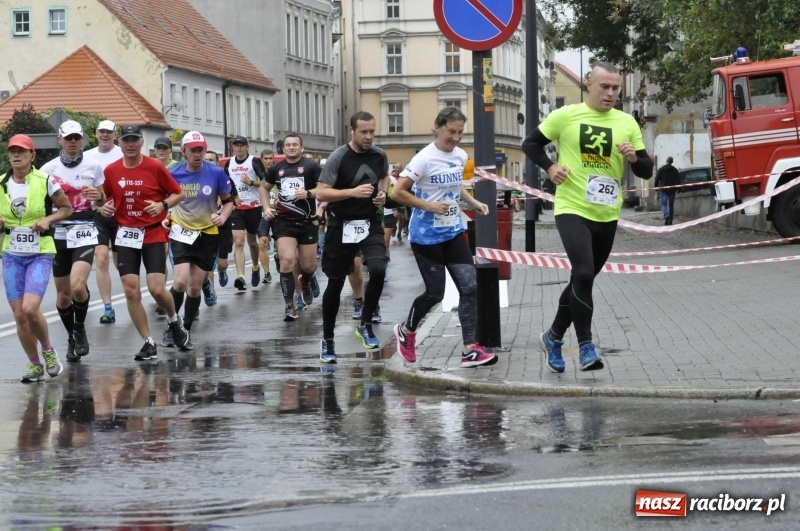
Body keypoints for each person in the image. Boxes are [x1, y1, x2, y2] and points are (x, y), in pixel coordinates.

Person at [522, 61, 654, 373]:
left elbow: (647, 169)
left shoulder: (626, 123)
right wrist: (551, 167)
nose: (611, 93)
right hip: (572, 207)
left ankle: (553, 336)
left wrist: (634, 157)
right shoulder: (565, 116)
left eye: (616, 88)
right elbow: (530, 143)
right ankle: (585, 346)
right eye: (604, 87)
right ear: (588, 86)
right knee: (582, 272)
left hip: (607, 212)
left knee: (583, 279)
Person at [391, 107, 498, 368]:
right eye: (451, 132)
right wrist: (428, 206)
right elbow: (397, 192)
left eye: (460, 132)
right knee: (435, 293)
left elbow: (453, 185)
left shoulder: (460, 156)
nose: (456, 137)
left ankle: (470, 349)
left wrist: (473, 202)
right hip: (426, 238)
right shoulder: (424, 159)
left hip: (452, 233)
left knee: (470, 287)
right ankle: (407, 330)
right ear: (437, 128)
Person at [98, 125, 189, 361]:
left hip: (152, 232)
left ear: (141, 143)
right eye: (126, 140)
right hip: (126, 233)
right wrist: (104, 206)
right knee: (130, 290)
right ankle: (148, 342)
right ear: (120, 143)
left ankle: (174, 320)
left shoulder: (154, 166)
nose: (130, 144)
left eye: (134, 140)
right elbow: (106, 198)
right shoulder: (111, 170)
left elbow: (178, 193)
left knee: (157, 289)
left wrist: (162, 205)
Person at [315, 111, 389, 362]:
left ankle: (365, 324)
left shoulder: (379, 154)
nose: (368, 137)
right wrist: (352, 192)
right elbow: (322, 193)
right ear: (352, 131)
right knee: (335, 284)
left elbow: (384, 176)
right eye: (363, 132)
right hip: (341, 226)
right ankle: (327, 340)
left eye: (372, 132)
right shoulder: (339, 157)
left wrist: (382, 194)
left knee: (378, 269)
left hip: (370, 223)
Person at [1, 134, 73, 382]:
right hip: (11, 253)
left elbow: (66, 208)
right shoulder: (0, 183)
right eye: (12, 151)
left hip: (39, 253)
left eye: (22, 151)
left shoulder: (46, 181)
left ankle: (48, 350)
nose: (16, 155)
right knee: (19, 314)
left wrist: (48, 220)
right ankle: (34, 364)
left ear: (33, 155)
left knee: (31, 309)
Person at [161, 132, 234, 350]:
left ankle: (186, 328)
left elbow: (229, 202)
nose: (197, 154)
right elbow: (163, 202)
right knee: (180, 282)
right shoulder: (172, 174)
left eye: (200, 149)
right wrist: (165, 218)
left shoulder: (216, 173)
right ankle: (172, 326)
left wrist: (222, 216)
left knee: (194, 288)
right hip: (181, 233)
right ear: (183, 151)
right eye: (192, 150)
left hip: (207, 234)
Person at [40, 120, 105, 363]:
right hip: (58, 233)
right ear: (60, 140)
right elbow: (43, 204)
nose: (73, 142)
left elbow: (103, 198)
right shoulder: (48, 169)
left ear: (82, 140)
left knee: (78, 286)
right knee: (64, 295)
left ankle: (80, 329)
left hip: (85, 227)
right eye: (69, 138)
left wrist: (99, 196)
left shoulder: (93, 165)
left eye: (77, 138)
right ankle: (70, 337)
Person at [260, 133, 321, 321]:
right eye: (288, 145)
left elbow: (325, 189)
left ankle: (308, 280)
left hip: (307, 221)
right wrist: (266, 208)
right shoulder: (277, 169)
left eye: (295, 144)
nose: (292, 147)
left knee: (308, 266)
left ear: (301, 147)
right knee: (286, 261)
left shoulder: (311, 167)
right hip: (285, 222)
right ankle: (289, 305)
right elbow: (264, 188)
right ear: (283, 149)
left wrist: (309, 193)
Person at [84, 120, 123, 324]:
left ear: (115, 135)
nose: (105, 135)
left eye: (109, 132)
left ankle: (134, 296)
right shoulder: (88, 156)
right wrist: (98, 205)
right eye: (102, 132)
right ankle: (107, 306)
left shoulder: (122, 154)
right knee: (101, 258)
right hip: (97, 213)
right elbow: (84, 185)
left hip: (121, 214)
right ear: (96, 133)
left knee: (120, 262)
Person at [224, 135, 268, 290]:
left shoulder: (253, 162)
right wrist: (230, 198)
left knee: (252, 242)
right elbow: (224, 183)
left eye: (242, 145)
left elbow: (266, 181)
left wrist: (250, 182)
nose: (239, 148)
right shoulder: (229, 163)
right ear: (233, 147)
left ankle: (255, 267)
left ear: (247, 147)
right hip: (237, 208)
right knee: (239, 242)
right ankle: (241, 277)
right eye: (236, 145)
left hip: (254, 207)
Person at [257, 148, 275, 284]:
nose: (268, 161)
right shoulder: (257, 173)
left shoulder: (277, 172)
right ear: (261, 159)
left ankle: (279, 259)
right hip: (263, 213)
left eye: (270, 158)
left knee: (280, 248)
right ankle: (267, 273)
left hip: (278, 213)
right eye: (266, 158)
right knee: (262, 242)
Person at [654, 156, 680, 225]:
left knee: (664, 204)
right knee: (671, 205)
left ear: (666, 161)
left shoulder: (661, 169)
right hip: (672, 190)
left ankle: (666, 216)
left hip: (663, 189)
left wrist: (656, 187)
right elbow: (678, 180)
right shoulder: (675, 170)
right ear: (672, 162)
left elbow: (657, 179)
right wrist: (678, 189)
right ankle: (670, 220)